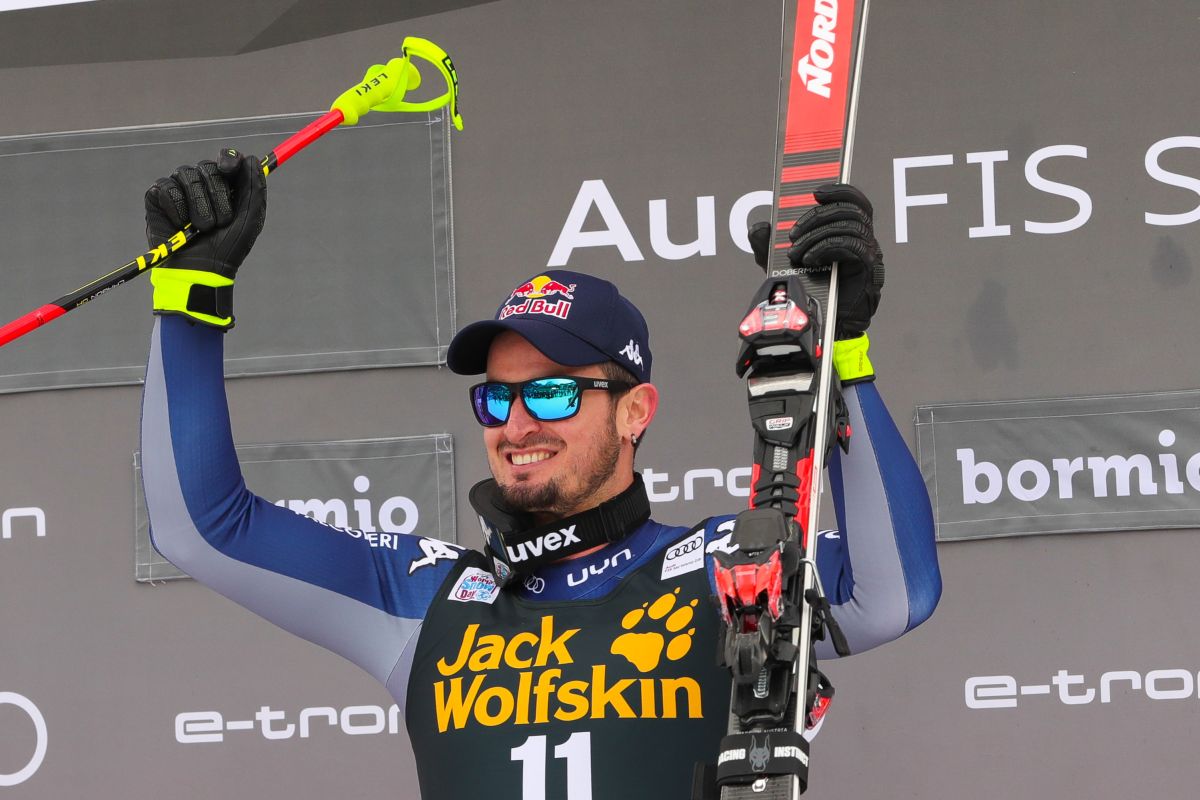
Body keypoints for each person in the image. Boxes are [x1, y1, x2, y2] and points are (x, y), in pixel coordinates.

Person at [140, 149, 940, 800]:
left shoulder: (722, 568)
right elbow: (203, 527)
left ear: (635, 411)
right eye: (498, 398)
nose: (517, 425)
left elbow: (893, 593)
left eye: (553, 393)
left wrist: (844, 353)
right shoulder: (426, 599)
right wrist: (189, 294)